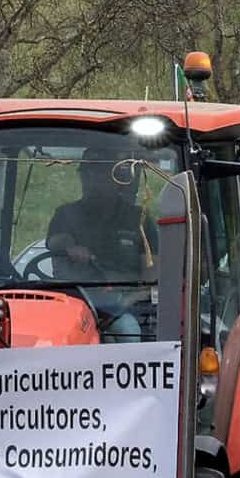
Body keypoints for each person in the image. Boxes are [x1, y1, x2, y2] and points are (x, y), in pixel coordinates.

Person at [46, 146, 157, 341]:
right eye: (87, 175)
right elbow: (54, 242)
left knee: (128, 331)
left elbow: (152, 280)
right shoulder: (65, 215)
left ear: (117, 179)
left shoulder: (140, 219)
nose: (92, 182)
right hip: (73, 304)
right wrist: (69, 246)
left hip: (125, 308)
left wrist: (122, 304)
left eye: (99, 175)